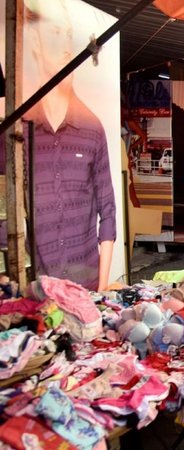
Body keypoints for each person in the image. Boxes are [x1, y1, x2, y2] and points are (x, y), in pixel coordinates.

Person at [7, 0, 117, 291]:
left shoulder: (92, 128)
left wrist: (102, 288)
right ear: (35, 47)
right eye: (54, 34)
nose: (66, 47)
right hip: (37, 285)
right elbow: (8, 210)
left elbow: (108, 211)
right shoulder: (20, 130)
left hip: (87, 281)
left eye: (67, 35)